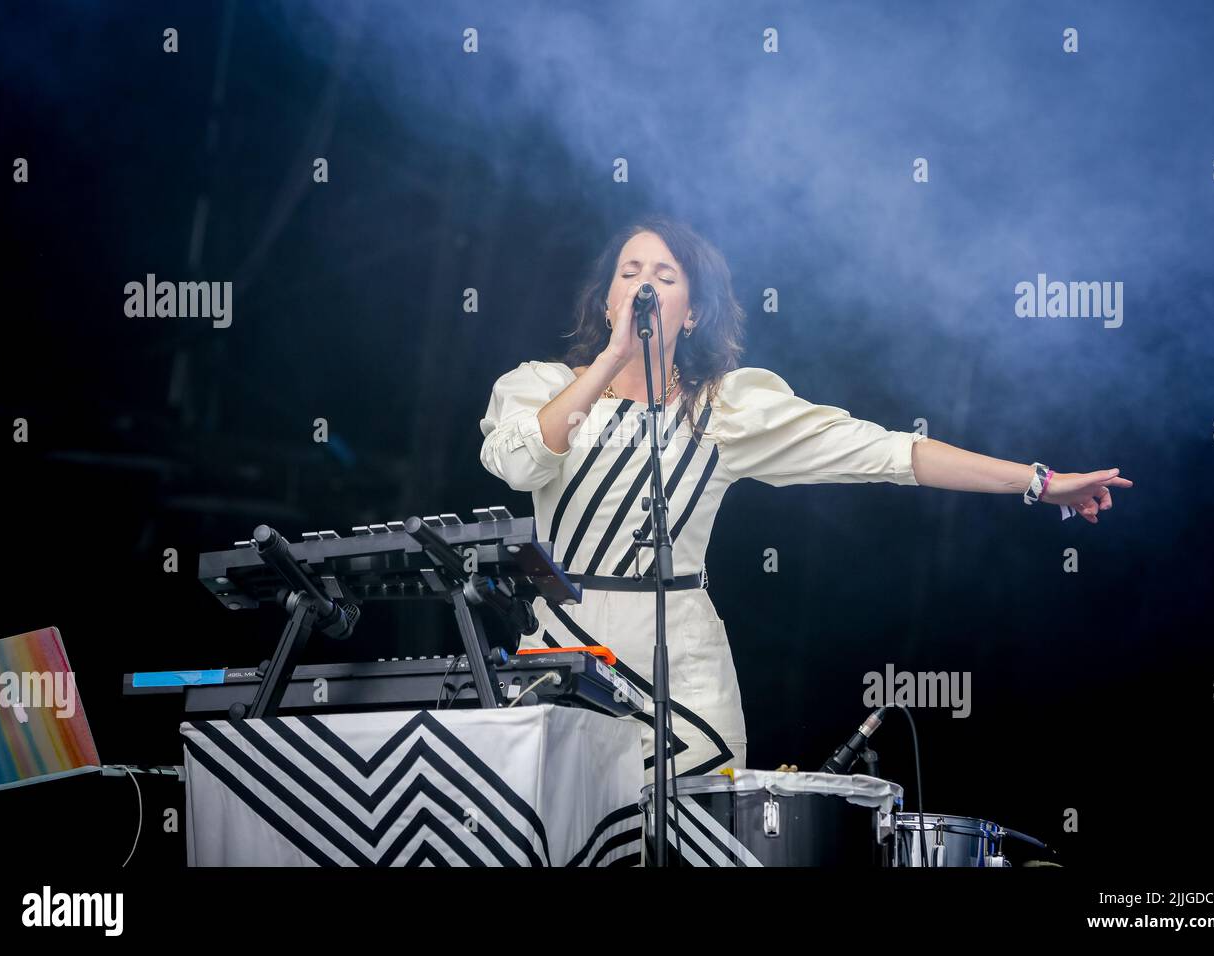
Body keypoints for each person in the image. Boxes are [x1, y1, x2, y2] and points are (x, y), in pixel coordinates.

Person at [479, 216, 1132, 782]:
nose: (644, 282)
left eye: (666, 274)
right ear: (607, 298)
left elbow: (885, 451)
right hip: (560, 657)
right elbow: (515, 460)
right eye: (630, 270)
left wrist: (1039, 482)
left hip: (682, 667)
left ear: (696, 310)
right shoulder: (541, 386)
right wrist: (611, 360)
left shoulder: (725, 409)